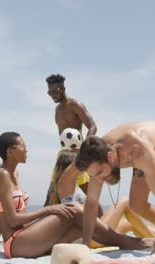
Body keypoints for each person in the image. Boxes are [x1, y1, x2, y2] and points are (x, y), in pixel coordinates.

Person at [60, 121, 155, 253]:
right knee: (136, 204)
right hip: (147, 153)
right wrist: (85, 246)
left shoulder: (138, 151)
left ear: (110, 156)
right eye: (95, 175)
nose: (99, 179)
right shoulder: (95, 157)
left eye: (101, 172)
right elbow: (92, 202)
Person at [0, 132, 150, 258]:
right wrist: (51, 209)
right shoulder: (1, 175)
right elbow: (12, 220)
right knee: (75, 209)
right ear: (10, 151)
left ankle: (132, 241)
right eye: (22, 145)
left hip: (26, 238)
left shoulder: (13, 174)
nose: (26, 149)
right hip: (17, 243)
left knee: (80, 227)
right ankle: (129, 242)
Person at [45, 150, 155, 248]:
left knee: (128, 223)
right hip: (89, 237)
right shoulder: (65, 183)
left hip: (91, 234)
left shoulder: (72, 186)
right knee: (125, 202)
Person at [45, 74, 97, 203]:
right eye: (49, 92)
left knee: (88, 194)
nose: (52, 95)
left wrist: (84, 150)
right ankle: (43, 220)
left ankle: (102, 221)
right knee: (52, 192)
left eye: (54, 91)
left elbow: (92, 127)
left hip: (77, 154)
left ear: (62, 88)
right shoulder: (57, 110)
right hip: (63, 155)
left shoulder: (75, 105)